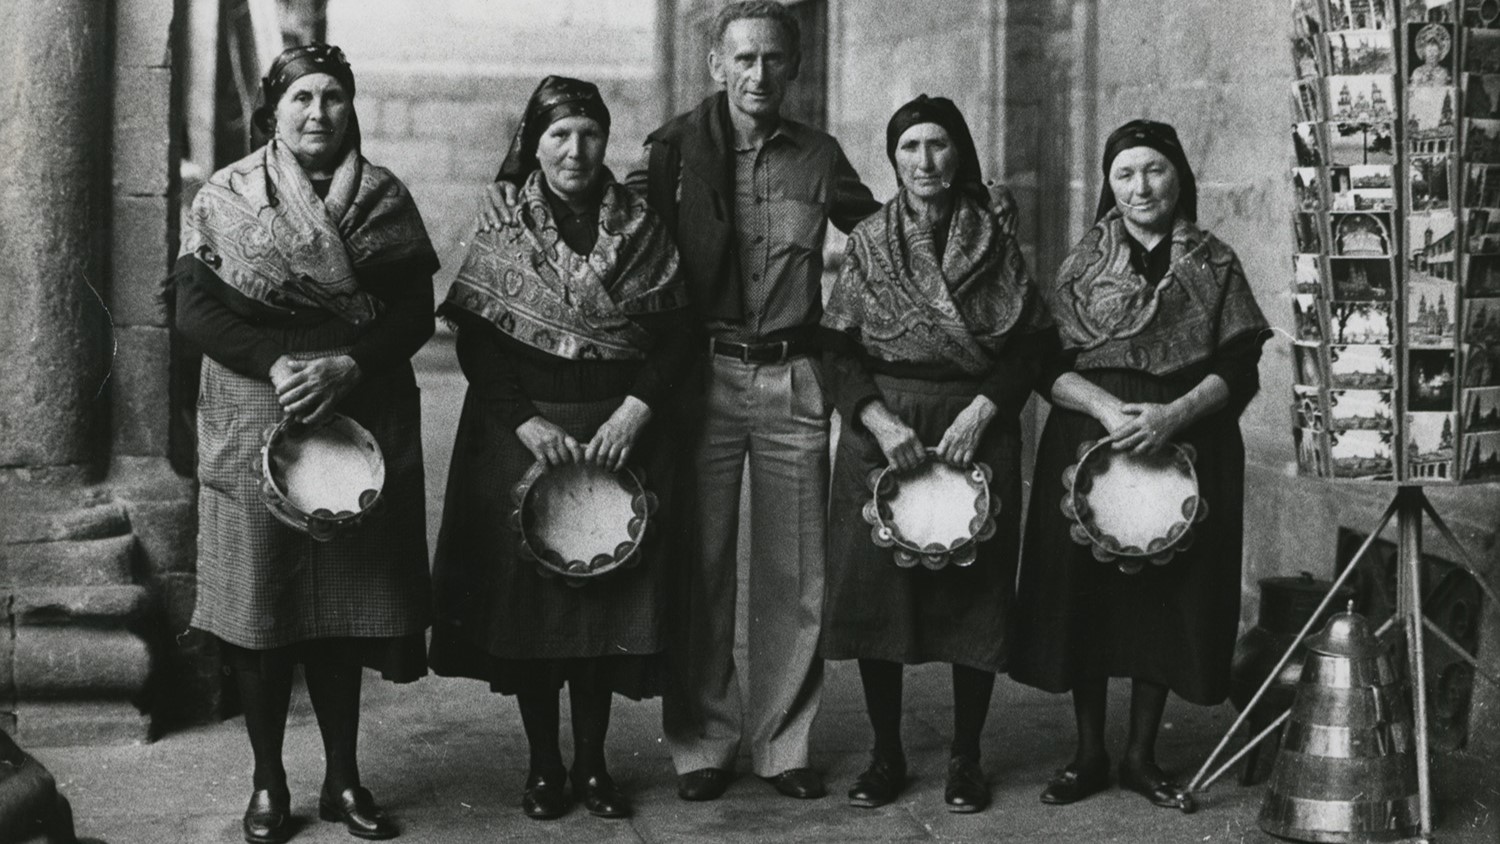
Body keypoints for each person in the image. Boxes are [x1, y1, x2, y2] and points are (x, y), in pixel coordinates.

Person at [172, 44, 438, 843]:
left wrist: (348, 366)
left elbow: (414, 313)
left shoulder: (385, 197)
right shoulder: (228, 197)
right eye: (301, 99)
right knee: (262, 603)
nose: (317, 113)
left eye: (332, 97)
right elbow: (193, 310)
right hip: (260, 403)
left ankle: (344, 780)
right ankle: (267, 785)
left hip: (357, 406)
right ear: (273, 110)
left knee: (343, 608)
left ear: (350, 107)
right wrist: (279, 362)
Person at [428, 76, 691, 822]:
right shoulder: (504, 226)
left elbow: (675, 337)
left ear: (607, 142)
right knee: (535, 612)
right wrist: (524, 422)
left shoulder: (641, 227)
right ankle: (546, 765)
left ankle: (595, 764)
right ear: (533, 145)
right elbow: (478, 339)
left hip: (618, 437)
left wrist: (635, 413)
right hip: (527, 437)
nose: (576, 151)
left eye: (590, 135)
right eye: (559, 136)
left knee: (604, 603)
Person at [1009, 120, 1269, 814]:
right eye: (1124, 173)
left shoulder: (1214, 265)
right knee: (1090, 594)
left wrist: (1170, 417)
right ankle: (1089, 751)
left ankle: (1141, 754)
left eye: (1154, 170)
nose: (1140, 187)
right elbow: (1045, 366)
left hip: (1185, 443)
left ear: (1178, 175)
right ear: (1108, 183)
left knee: (1164, 590)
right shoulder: (1079, 267)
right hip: (1089, 445)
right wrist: (1104, 408)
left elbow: (1239, 367)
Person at [819, 96, 1053, 814]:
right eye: (911, 148)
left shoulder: (993, 239)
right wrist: (877, 420)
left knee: (972, 594)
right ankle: (886, 752)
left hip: (974, 426)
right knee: (878, 594)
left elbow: (1033, 341)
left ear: (961, 155)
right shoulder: (869, 242)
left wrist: (987, 408)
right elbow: (834, 344)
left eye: (940, 146)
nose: (925, 162)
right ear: (893, 159)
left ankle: (965, 757)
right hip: (888, 428)